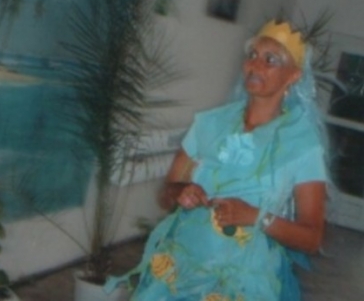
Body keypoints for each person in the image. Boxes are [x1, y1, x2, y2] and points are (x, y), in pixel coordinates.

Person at [108, 19, 328, 300]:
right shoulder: (210, 125)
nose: (255, 65)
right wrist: (181, 192)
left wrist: (256, 217)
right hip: (183, 268)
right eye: (252, 55)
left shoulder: (301, 144)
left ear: (293, 75)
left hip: (245, 280)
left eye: (270, 60)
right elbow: (167, 193)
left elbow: (312, 238)